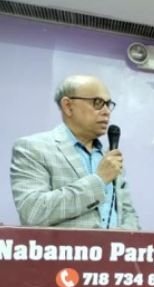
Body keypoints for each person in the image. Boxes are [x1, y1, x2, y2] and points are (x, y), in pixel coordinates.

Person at [10, 75, 139, 229]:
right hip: (63, 246)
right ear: (68, 106)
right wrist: (98, 180)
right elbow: (33, 212)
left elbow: (128, 214)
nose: (106, 112)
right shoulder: (32, 148)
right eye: (98, 103)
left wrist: (123, 238)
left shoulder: (109, 158)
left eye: (108, 104)